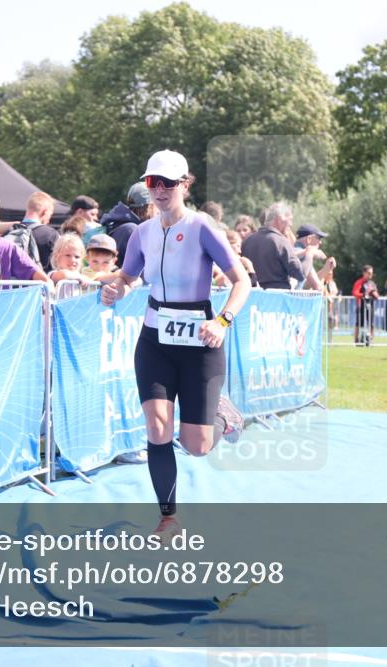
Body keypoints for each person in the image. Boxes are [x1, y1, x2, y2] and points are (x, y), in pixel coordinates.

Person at [100, 149, 250, 539]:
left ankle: (225, 416)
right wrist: (114, 289)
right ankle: (168, 517)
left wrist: (222, 320)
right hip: (156, 340)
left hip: (201, 339)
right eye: (153, 183)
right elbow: (128, 277)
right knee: (157, 426)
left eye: (168, 183)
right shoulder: (141, 233)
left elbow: (242, 282)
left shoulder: (203, 228)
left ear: (185, 185)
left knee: (197, 445)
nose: (160, 191)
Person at [241, 202, 305, 289]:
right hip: (278, 297)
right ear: (279, 219)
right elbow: (299, 274)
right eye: (290, 220)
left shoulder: (247, 241)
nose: (291, 224)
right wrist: (309, 255)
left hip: (253, 297)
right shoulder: (281, 242)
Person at [294, 223, 336, 290]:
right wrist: (310, 251)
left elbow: (308, 285)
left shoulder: (306, 255)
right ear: (309, 239)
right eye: (319, 238)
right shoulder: (304, 254)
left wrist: (326, 269)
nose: (320, 242)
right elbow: (317, 286)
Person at [352, 265, 378, 346]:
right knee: (359, 323)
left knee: (372, 323)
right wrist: (364, 294)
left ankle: (371, 340)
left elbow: (377, 295)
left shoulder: (372, 283)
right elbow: (355, 293)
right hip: (361, 305)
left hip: (370, 305)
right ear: (364, 273)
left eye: (371, 273)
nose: (370, 275)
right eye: (369, 273)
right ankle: (356, 341)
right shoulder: (359, 282)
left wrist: (373, 293)